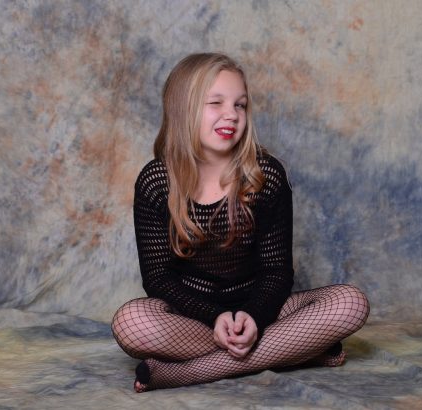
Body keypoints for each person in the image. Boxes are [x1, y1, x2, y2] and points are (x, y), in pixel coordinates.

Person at [111, 52, 370, 392]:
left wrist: (254, 316)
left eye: (240, 105)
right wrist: (214, 317)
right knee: (130, 323)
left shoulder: (266, 176)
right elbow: (158, 278)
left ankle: (186, 373)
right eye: (215, 103)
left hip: (264, 310)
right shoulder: (157, 181)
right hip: (194, 318)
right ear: (183, 108)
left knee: (351, 303)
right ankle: (299, 349)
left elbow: (277, 271)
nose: (231, 115)